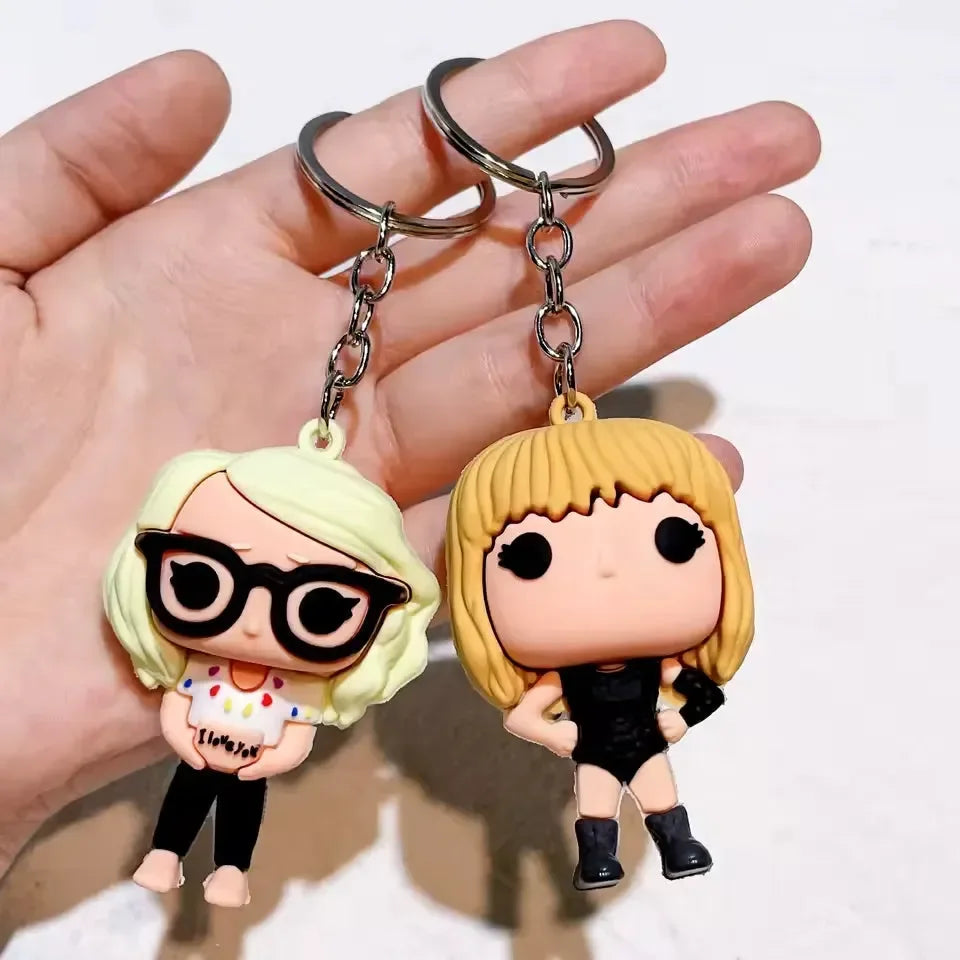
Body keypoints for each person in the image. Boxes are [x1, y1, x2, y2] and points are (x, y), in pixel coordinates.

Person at [0, 20, 819, 877]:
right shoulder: (237, 651)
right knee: (596, 798)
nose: (609, 579)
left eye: (674, 541)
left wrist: (658, 716)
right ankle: (603, 851)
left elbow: (624, 704)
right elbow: (517, 714)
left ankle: (662, 842)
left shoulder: (642, 666)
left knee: (643, 790)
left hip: (619, 734)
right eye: (532, 559)